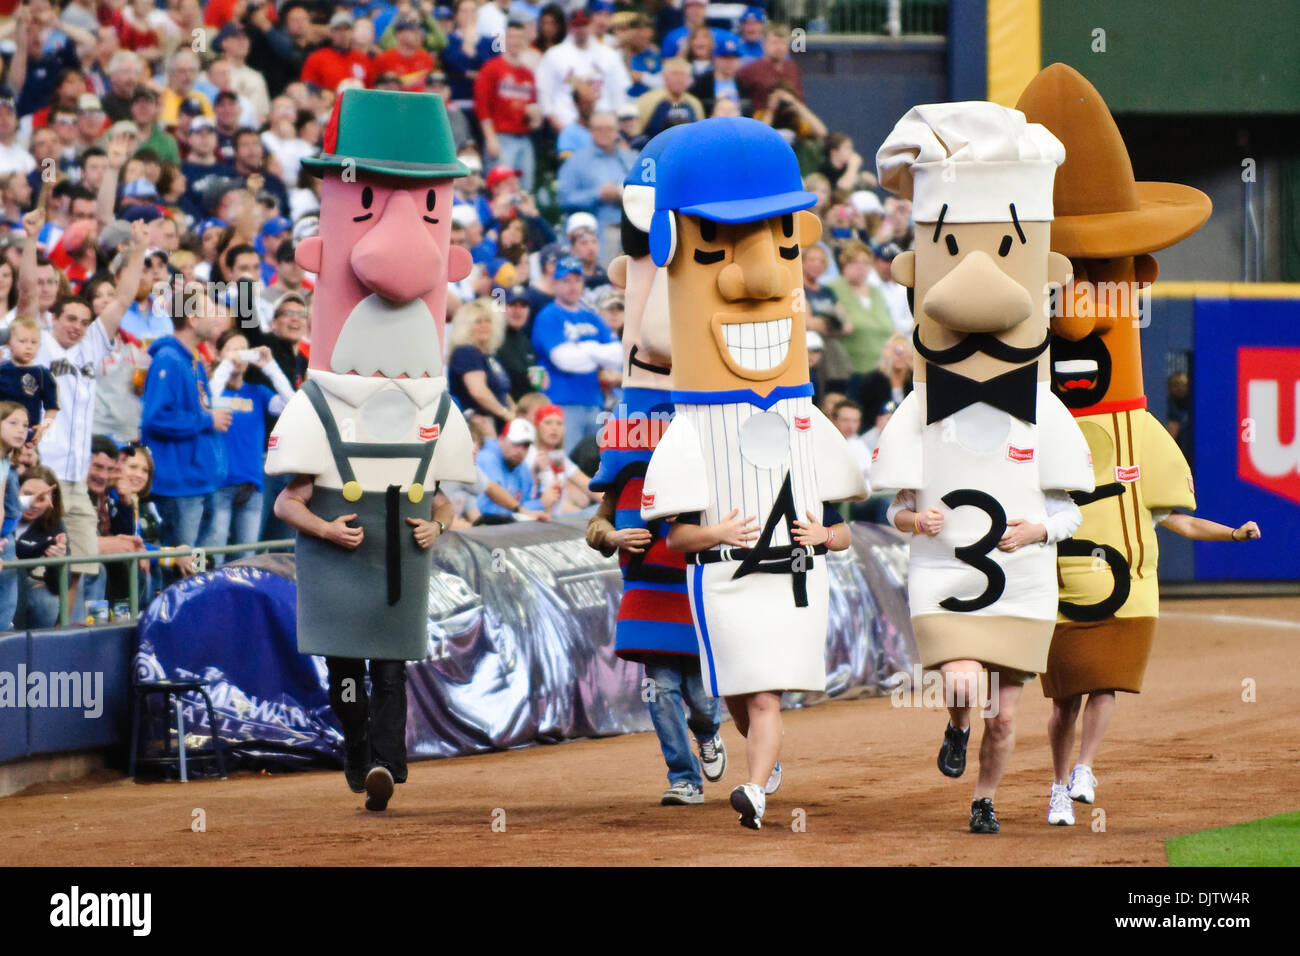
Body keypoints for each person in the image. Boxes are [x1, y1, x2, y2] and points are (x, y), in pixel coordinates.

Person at [639, 117, 868, 830]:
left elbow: (848, 524)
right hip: (725, 576)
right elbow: (672, 537)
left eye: (781, 242)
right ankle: (762, 761)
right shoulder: (687, 430)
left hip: (792, 574)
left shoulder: (809, 417)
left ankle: (757, 790)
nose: (761, 274)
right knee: (741, 699)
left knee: (765, 701)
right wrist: (715, 528)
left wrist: (827, 534)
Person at [266, 89, 477, 813]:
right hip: (340, 551)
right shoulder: (315, 408)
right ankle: (360, 751)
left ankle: (386, 763)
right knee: (345, 674)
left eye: (426, 208)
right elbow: (286, 499)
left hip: (398, 549)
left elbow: (448, 493)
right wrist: (327, 529)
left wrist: (437, 524)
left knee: (389, 666)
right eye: (368, 203)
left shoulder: (435, 406)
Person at [32, 215, 147, 615]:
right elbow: (30, 296)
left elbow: (123, 299)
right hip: (41, 473)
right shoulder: (41, 345)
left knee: (81, 561)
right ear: (55, 320)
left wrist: (138, 251)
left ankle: (64, 628)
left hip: (76, 477)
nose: (79, 327)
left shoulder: (91, 346)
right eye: (71, 320)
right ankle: (29, 628)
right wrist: (32, 238)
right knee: (34, 561)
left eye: (84, 321)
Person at [141, 284, 232, 549]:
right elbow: (155, 418)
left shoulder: (191, 360)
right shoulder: (168, 359)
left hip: (198, 481)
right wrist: (207, 420)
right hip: (179, 484)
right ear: (192, 319)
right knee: (182, 568)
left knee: (199, 565)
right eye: (210, 312)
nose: (216, 318)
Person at [206, 330, 294, 561]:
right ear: (218, 354)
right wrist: (225, 366)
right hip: (218, 485)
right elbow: (207, 402)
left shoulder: (257, 391)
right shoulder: (211, 387)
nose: (238, 357)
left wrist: (270, 367)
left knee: (246, 559)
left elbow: (291, 405)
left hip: (252, 486)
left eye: (243, 351)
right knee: (215, 557)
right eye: (232, 351)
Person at [530, 257, 621, 454]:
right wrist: (596, 352)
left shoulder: (591, 317)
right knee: (567, 458)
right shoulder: (548, 316)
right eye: (566, 281)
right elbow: (564, 360)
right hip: (562, 402)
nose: (572, 286)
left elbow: (617, 354)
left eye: (577, 280)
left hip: (594, 401)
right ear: (555, 283)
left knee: (592, 461)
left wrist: (584, 349)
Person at [474, 20, 540, 192]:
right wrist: (490, 138)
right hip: (501, 136)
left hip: (524, 137)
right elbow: (482, 106)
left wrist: (535, 118)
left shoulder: (528, 74)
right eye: (511, 37)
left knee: (525, 189)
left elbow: (532, 107)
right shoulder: (491, 68)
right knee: (501, 186)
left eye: (520, 37)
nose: (515, 41)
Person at [825, 239, 895, 385]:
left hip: (882, 372)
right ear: (844, 265)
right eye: (855, 262)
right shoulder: (832, 287)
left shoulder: (876, 291)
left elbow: (890, 327)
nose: (861, 267)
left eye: (865, 263)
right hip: (847, 372)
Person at [447, 298, 515, 435]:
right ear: (466, 327)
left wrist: (514, 410)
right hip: (478, 426)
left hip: (498, 424)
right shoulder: (466, 352)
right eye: (478, 322)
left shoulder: (489, 355)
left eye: (488, 321)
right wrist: (506, 414)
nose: (484, 325)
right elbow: (479, 391)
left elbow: (502, 390)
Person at [13, 465, 68, 629]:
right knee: (16, 571)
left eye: (42, 498)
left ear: (52, 501)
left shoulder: (55, 526)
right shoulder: (4, 515)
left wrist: (57, 562)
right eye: (28, 495)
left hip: (21, 586)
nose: (33, 503)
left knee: (47, 601)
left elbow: (58, 586)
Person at [526, 404, 596, 515]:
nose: (554, 428)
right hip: (534, 517)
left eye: (559, 423)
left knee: (597, 511)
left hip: (554, 517)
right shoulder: (529, 454)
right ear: (537, 427)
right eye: (548, 423)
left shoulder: (558, 457)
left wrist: (613, 502)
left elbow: (588, 485)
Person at [0, 316, 59, 444]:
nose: (29, 347)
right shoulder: (2, 369)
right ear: (9, 344)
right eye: (23, 341)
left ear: (40, 346)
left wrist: (44, 427)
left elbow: (52, 407)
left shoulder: (43, 374)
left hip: (26, 436)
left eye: (33, 342)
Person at [0, 401, 29, 628]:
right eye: (13, 423)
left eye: (25, 425)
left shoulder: (5, 458)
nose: (22, 429)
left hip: (4, 539)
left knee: (6, 608)